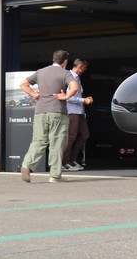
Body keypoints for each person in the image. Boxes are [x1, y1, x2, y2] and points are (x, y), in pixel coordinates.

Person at [20, 50, 79, 183]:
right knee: (57, 143)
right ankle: (55, 175)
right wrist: (66, 96)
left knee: (39, 141)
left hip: (40, 111)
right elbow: (74, 87)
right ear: (65, 61)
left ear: (53, 59)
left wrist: (34, 94)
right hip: (57, 112)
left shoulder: (40, 71)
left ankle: (27, 164)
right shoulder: (65, 73)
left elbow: (23, 84)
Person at [62, 58, 93, 171]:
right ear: (80, 67)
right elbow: (68, 96)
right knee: (71, 136)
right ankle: (64, 162)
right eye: (84, 68)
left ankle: (72, 159)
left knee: (85, 134)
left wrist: (83, 102)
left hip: (79, 112)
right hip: (72, 111)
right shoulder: (70, 77)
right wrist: (83, 100)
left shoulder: (77, 78)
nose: (84, 70)